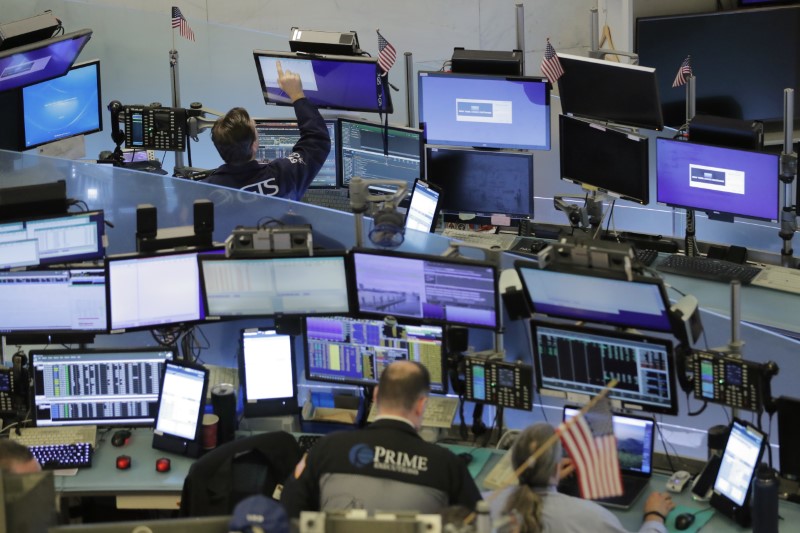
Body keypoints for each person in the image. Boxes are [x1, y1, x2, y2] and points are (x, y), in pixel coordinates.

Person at [280, 360, 482, 518]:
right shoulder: (446, 465)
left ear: (376, 396)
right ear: (422, 405)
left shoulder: (327, 448)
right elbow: (477, 522)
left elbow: (291, 504)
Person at [492, 423, 674, 533]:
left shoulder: (485, 503)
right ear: (556, 466)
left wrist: (547, 477)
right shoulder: (591, 517)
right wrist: (654, 517)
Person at [205, 61, 330, 200]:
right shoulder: (283, 175)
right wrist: (297, 94)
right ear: (254, 145)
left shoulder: (205, 192)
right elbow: (317, 141)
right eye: (255, 128)